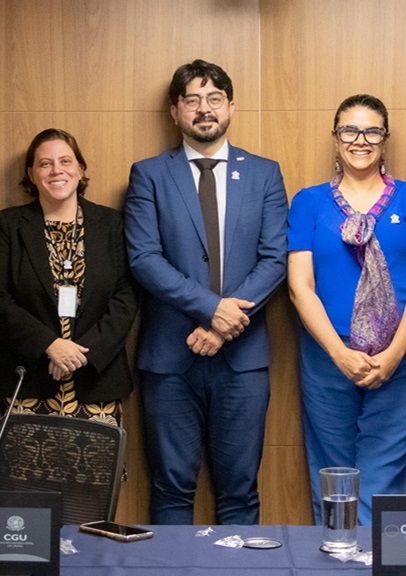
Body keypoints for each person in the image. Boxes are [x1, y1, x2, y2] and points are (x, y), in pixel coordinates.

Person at [124, 59, 288, 525]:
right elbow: (144, 259)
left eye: (214, 98)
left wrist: (224, 325)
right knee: (171, 488)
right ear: (175, 111)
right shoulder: (149, 175)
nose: (204, 109)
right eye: (192, 99)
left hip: (242, 358)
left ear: (231, 106)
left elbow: (275, 258)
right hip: (169, 358)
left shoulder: (264, 174)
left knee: (240, 491)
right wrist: (213, 309)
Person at [286, 94, 406, 526]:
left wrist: (392, 356)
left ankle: (373, 565)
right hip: (328, 355)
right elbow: (300, 286)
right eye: (350, 130)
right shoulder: (309, 202)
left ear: (385, 140)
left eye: (372, 131)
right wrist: (338, 353)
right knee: (333, 477)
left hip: (401, 357)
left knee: (380, 479)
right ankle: (334, 560)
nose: (361, 140)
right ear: (336, 139)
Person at [0, 128, 137, 428]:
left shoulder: (111, 224)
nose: (56, 170)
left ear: (81, 169)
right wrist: (49, 345)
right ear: (31, 173)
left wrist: (81, 354)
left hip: (94, 381)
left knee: (89, 474)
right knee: (17, 476)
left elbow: (126, 295)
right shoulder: (11, 225)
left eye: (65, 161)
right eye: (45, 163)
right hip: (25, 378)